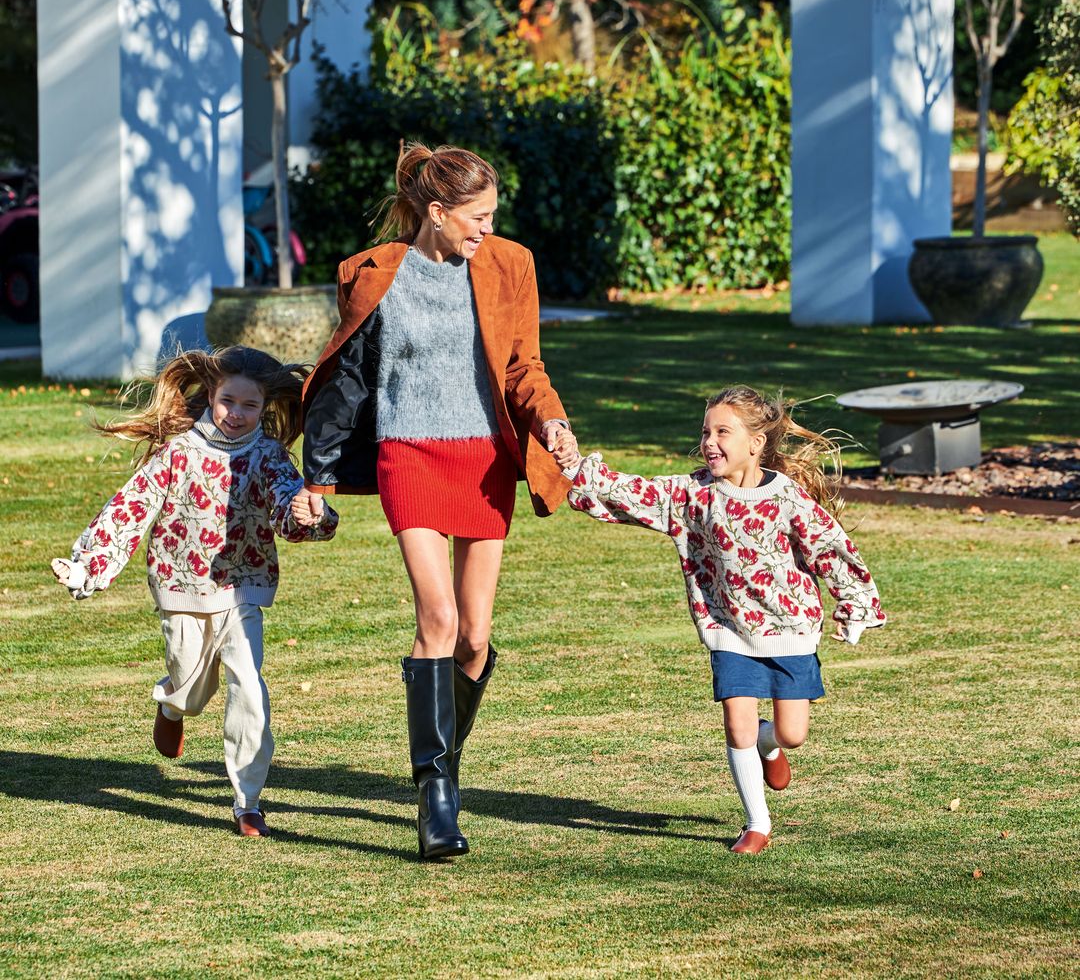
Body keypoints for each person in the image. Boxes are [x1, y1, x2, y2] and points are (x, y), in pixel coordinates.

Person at [293, 142, 576, 860]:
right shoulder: (373, 274)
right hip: (409, 453)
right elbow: (349, 380)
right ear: (436, 211)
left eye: (492, 216)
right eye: (475, 217)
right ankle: (435, 797)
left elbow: (523, 367)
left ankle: (443, 763)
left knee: (476, 637)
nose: (486, 229)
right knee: (439, 618)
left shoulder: (511, 264)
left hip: (483, 460)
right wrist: (316, 481)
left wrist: (552, 421)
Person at [552, 385, 886, 854]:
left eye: (722, 432)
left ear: (756, 443)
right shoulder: (693, 494)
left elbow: (831, 549)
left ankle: (770, 745)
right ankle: (757, 823)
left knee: (793, 733)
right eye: (705, 431)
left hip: (789, 633)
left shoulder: (789, 500)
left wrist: (854, 605)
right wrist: (576, 467)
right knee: (737, 725)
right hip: (729, 630)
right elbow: (636, 493)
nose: (710, 442)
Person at [50, 346, 339, 838]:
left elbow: (288, 505)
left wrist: (313, 516)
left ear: (265, 407)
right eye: (228, 401)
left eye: (250, 406)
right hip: (181, 585)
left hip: (242, 588)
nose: (237, 413)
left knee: (249, 686)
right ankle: (172, 704)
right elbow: (131, 508)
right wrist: (88, 568)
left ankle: (248, 802)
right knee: (190, 684)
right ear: (211, 394)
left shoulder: (268, 455)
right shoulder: (178, 451)